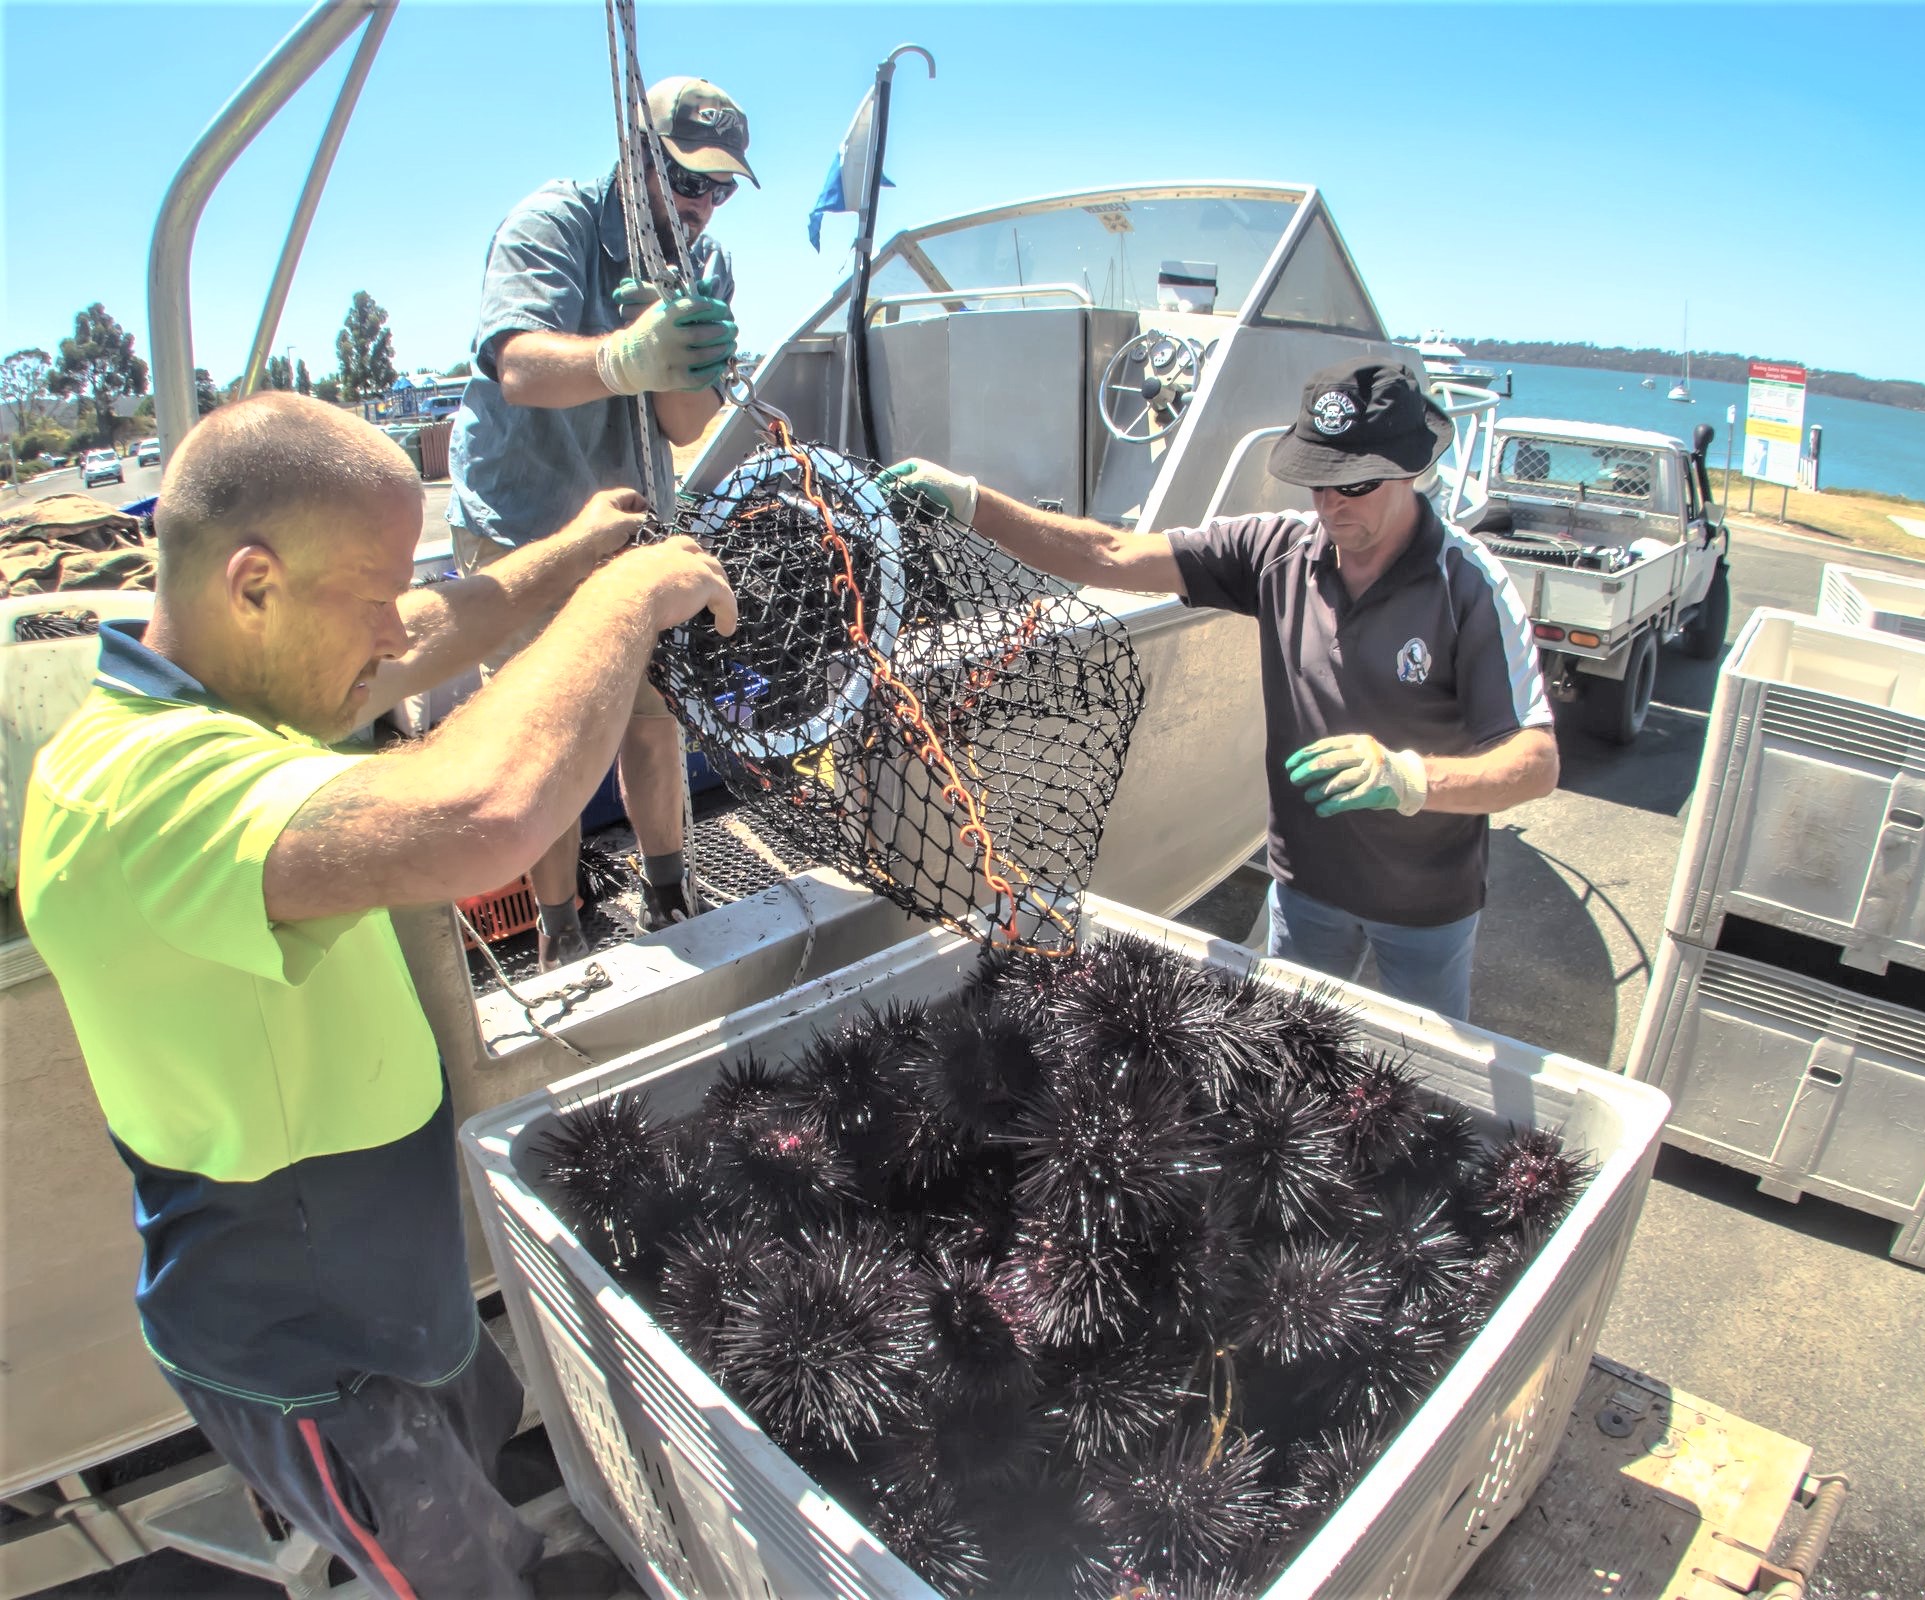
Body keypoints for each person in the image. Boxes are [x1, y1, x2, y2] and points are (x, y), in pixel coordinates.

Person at [19, 393, 736, 1598]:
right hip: (316, 1354)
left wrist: (575, 552)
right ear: (253, 583)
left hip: (388, 1280)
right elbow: (484, 818)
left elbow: (428, 626)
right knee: (447, 1565)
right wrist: (627, 601)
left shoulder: (232, 687)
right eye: (368, 595)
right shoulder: (144, 793)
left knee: (473, 1433)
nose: (388, 635)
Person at [879, 357, 1558, 1021]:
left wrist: (1411, 778)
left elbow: (1534, 763)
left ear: (1411, 471)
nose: (1329, 503)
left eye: (1354, 486)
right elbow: (1109, 554)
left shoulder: (1467, 583)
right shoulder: (1276, 551)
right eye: (1318, 481)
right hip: (1306, 891)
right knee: (1291, 1069)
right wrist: (974, 503)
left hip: (1426, 902)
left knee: (1427, 1086)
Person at [448, 75, 756, 968]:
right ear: (635, 158)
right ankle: (560, 928)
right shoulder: (554, 223)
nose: (702, 204)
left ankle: (670, 896)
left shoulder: (708, 266)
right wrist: (628, 351)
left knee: (654, 716)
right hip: (523, 519)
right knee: (542, 735)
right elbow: (520, 369)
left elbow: (685, 426)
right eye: (686, 179)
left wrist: (679, 361)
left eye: (720, 188)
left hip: (630, 521)